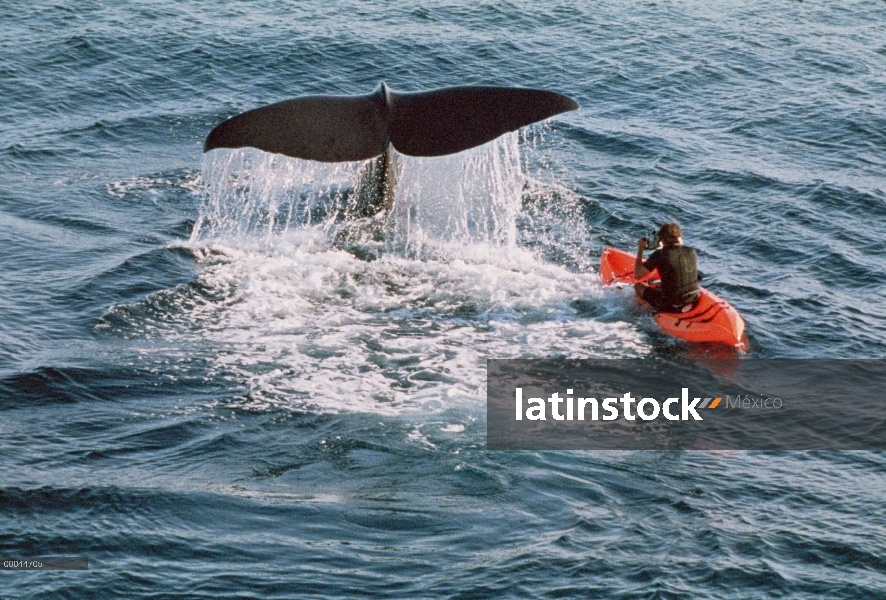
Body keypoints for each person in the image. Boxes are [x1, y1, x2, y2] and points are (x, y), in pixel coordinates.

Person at [633, 222, 700, 313]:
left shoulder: (659, 254)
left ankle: (641, 313)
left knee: (638, 286)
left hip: (672, 304)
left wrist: (640, 249)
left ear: (662, 239)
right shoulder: (692, 251)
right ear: (679, 236)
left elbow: (637, 275)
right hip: (693, 299)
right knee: (660, 286)